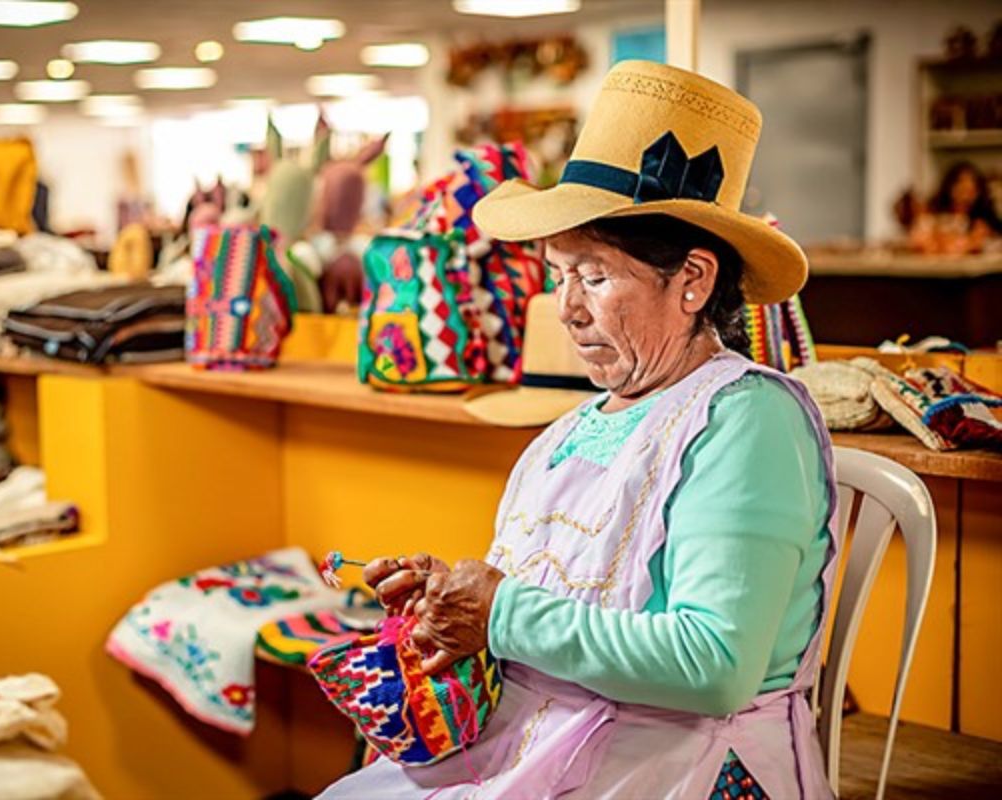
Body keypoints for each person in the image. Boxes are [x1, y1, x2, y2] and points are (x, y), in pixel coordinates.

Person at [320, 60, 838, 799]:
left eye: (592, 276)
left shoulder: (747, 419)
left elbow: (714, 664)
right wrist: (453, 603)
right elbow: (549, 601)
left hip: (678, 766)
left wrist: (501, 611)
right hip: (548, 745)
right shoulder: (572, 430)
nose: (565, 308)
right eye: (557, 275)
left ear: (692, 279)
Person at [908, 161, 1002, 255]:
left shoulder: (983, 223)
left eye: (971, 191)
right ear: (949, 188)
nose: (965, 197)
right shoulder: (933, 219)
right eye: (961, 190)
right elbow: (919, 242)